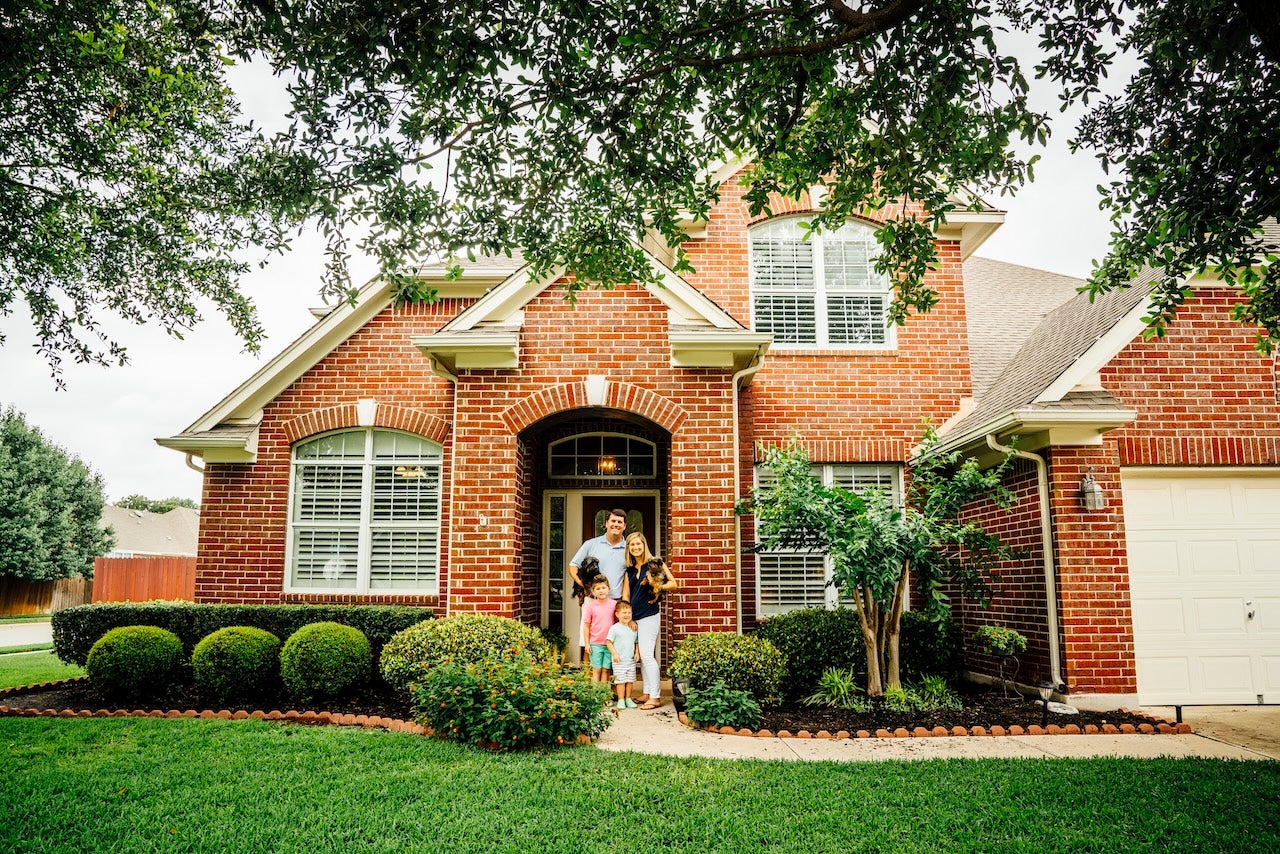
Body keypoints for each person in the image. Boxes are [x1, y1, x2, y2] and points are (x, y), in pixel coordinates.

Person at [621, 531, 677, 710]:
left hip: (649, 615)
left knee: (646, 655)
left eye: (639, 544)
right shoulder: (629, 570)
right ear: (628, 549)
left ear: (644, 545)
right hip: (634, 617)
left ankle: (655, 697)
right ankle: (646, 692)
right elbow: (626, 595)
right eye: (632, 545)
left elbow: (673, 584)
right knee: (643, 658)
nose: (636, 547)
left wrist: (656, 585)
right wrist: (627, 616)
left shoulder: (655, 564)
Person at [568, 508, 628, 600]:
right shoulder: (590, 544)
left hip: (616, 602)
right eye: (613, 521)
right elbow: (573, 565)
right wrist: (584, 585)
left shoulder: (629, 549)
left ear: (624, 526)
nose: (616, 524)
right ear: (606, 523)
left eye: (619, 522)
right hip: (592, 600)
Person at [580, 576, 617, 683]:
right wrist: (587, 643)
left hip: (609, 644)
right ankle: (596, 695)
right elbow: (586, 625)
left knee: (606, 670)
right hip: (595, 644)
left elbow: (617, 623)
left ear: (608, 589)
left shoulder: (614, 605)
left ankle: (603, 694)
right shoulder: (591, 606)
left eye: (603, 588)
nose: (601, 591)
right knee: (596, 670)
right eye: (598, 589)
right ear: (593, 591)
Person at [605, 599, 640, 709]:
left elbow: (636, 642)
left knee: (630, 680)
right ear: (617, 614)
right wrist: (614, 654)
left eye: (629, 613)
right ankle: (621, 699)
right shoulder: (614, 628)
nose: (627, 615)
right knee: (620, 681)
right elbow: (608, 642)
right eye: (624, 613)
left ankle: (628, 698)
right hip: (619, 660)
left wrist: (637, 653)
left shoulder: (633, 628)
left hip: (630, 660)